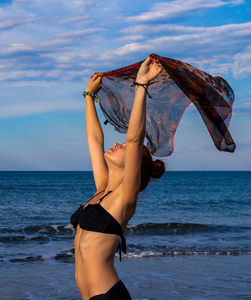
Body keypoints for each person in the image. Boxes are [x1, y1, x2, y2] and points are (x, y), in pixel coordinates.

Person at [71, 56, 166, 300]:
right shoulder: (102, 188)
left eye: (122, 146)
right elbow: (94, 140)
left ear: (134, 162)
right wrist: (89, 97)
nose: (117, 143)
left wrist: (141, 85)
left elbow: (135, 138)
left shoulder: (125, 198)